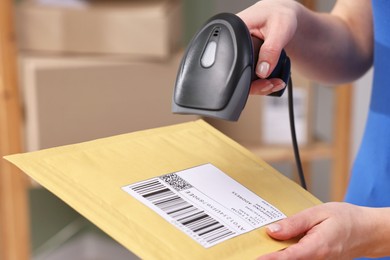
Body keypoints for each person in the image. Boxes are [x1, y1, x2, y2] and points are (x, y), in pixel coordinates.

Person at [236, 0, 390, 259]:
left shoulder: (360, 231)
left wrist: (375, 232)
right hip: (369, 197)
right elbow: (356, 34)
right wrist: (293, 21)